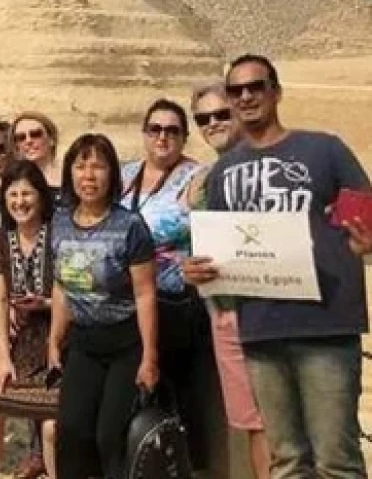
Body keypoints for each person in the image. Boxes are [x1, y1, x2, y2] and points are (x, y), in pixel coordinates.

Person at [192, 54, 372, 479]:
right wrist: (198, 272)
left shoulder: (324, 150)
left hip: (325, 327)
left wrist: (365, 242)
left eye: (256, 86)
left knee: (336, 460)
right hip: (261, 331)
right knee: (287, 462)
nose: (246, 96)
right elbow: (221, 248)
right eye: (236, 90)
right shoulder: (224, 172)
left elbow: (364, 216)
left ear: (276, 92)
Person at [48, 134, 159, 479]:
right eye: (81, 166)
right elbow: (61, 286)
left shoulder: (130, 226)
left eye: (98, 166)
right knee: (71, 431)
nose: (89, 175)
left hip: (126, 342)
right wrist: (54, 339)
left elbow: (145, 294)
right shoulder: (60, 222)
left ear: (112, 174)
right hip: (84, 341)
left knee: (110, 436)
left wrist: (150, 357)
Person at [119, 98, 214, 471]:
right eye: (155, 129)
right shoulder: (126, 174)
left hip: (172, 303)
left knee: (180, 397)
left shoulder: (198, 177)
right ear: (144, 133)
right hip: (124, 301)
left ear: (184, 136)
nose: (163, 137)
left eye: (172, 130)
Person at [182, 82, 271, 479]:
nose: (213, 123)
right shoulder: (203, 180)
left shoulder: (269, 164)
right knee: (253, 424)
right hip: (225, 314)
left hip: (276, 312)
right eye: (203, 118)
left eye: (222, 114)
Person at [0, 160, 60, 479]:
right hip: (15, 338)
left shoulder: (57, 235)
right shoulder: (1, 238)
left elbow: (68, 293)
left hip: (56, 338)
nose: (20, 202)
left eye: (27, 194)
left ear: (40, 197)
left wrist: (45, 303)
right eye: (13, 195)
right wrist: (2, 356)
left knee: (52, 426)